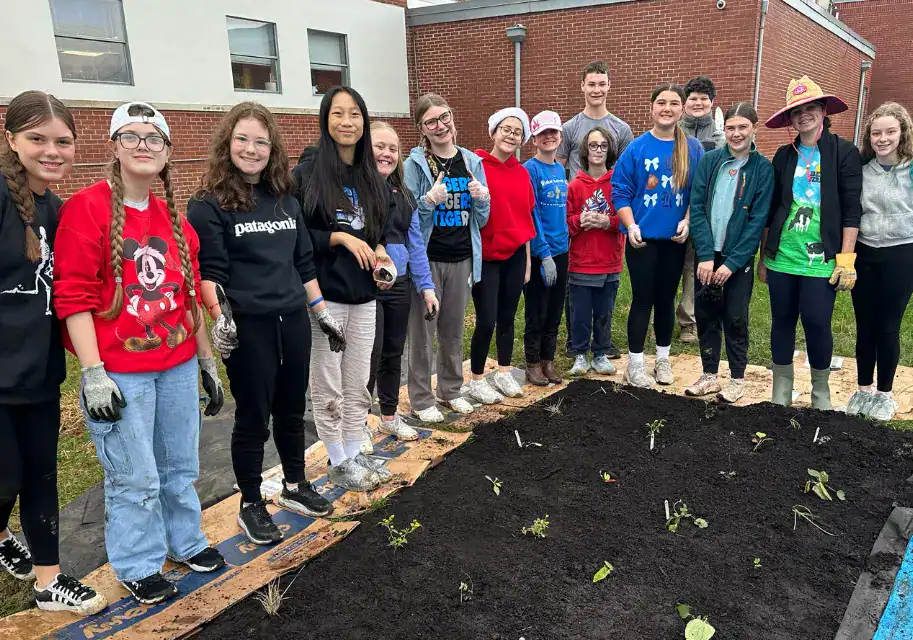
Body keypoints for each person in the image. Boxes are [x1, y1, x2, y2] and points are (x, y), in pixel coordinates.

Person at [54, 102, 226, 605]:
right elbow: (73, 297)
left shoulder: (173, 215)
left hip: (173, 365)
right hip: (121, 371)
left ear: (168, 151)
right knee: (135, 474)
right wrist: (92, 374)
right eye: (132, 136)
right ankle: (138, 561)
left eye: (154, 138)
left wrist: (206, 361)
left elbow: (188, 293)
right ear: (113, 146)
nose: (144, 146)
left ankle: (186, 541)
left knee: (180, 464)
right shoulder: (85, 209)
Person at [188, 102, 341, 546]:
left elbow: (303, 263)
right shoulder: (208, 205)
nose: (251, 149)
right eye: (242, 139)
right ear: (227, 144)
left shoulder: (285, 200)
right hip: (248, 326)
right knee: (254, 415)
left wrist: (322, 313)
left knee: (293, 406)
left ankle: (295, 484)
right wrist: (220, 320)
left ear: (272, 147)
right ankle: (251, 502)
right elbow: (209, 274)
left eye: (260, 140)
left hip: (292, 318)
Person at [0, 91, 106, 615]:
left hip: (38, 369)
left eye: (62, 141)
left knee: (41, 472)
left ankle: (49, 583)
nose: (52, 151)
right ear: (11, 140)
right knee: (6, 477)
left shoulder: (55, 209)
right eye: (37, 139)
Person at [293, 86, 395, 491]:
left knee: (358, 377)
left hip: (364, 295)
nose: (347, 122)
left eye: (355, 114)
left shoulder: (372, 177)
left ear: (364, 121)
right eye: (338, 114)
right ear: (325, 119)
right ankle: (336, 457)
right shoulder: (307, 174)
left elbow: (380, 232)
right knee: (327, 380)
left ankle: (354, 451)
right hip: (326, 296)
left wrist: (381, 253)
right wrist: (339, 238)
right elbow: (301, 239)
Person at [759, 76, 861, 410]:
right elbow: (772, 209)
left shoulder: (842, 153)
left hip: (822, 260)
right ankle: (781, 390)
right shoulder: (784, 157)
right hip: (783, 256)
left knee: (817, 322)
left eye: (811, 108)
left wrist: (846, 259)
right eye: (797, 111)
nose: (804, 116)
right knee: (782, 321)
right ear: (790, 118)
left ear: (823, 110)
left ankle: (820, 391)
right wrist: (764, 255)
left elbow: (851, 210)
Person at [404, 94, 490, 422]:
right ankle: (422, 399)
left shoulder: (471, 162)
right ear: (422, 129)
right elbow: (408, 218)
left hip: (463, 258)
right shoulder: (414, 165)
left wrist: (482, 199)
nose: (440, 126)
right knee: (423, 334)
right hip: (427, 261)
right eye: (431, 122)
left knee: (453, 329)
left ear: (452, 118)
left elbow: (481, 219)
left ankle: (451, 390)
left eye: (444, 117)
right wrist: (427, 201)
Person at [612, 84, 705, 388]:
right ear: (651, 108)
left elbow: (697, 191)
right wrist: (631, 225)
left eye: (674, 103)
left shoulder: (692, 148)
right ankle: (636, 363)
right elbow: (621, 192)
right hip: (643, 240)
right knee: (642, 300)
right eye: (661, 103)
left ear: (681, 110)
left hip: (674, 242)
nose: (667, 108)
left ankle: (663, 359)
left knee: (666, 301)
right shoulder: (637, 148)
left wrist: (689, 220)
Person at [685, 102, 774, 403]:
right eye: (731, 128)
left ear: (753, 129)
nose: (736, 134)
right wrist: (707, 255)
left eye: (743, 128)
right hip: (709, 255)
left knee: (735, 317)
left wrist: (733, 263)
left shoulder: (762, 169)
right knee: (706, 313)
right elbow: (697, 208)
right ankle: (709, 375)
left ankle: (737, 378)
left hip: (737, 260)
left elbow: (757, 220)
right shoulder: (710, 161)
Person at [367, 121, 439, 435]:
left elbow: (416, 245)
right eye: (379, 147)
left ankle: (388, 416)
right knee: (369, 353)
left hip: (399, 285)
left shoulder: (405, 196)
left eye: (392, 148)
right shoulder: (356, 192)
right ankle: (357, 424)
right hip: (365, 287)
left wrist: (426, 288)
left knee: (393, 351)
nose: (386, 154)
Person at [559, 60, 633, 359]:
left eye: (602, 84)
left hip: (609, 211)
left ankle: (603, 341)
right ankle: (574, 342)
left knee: (606, 282)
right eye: (591, 84)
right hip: (579, 209)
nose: (597, 89)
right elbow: (560, 167)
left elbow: (627, 174)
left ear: (609, 86)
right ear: (583, 87)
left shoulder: (621, 129)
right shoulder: (570, 128)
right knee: (575, 280)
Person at [846, 102, 913, 420]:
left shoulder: (911, 168)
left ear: (903, 133)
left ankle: (884, 395)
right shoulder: (862, 168)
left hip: (901, 254)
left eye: (890, 132)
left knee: (888, 327)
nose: (883, 138)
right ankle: (863, 390)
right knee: (865, 326)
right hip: (865, 253)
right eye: (876, 133)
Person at [468, 108, 536, 404]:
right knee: (486, 319)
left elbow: (526, 217)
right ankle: (477, 378)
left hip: (515, 254)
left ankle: (504, 371)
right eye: (506, 129)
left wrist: (528, 261)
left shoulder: (522, 174)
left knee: (508, 317)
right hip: (485, 255)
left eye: (517, 132)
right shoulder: (477, 165)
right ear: (493, 132)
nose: (511, 135)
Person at [566, 126, 624, 377]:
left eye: (603, 145)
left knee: (604, 311)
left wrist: (607, 222)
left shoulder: (618, 184)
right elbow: (566, 223)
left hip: (609, 261)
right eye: (593, 145)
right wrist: (580, 220)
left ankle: (600, 353)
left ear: (609, 150)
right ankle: (580, 353)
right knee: (579, 313)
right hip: (580, 262)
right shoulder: (575, 186)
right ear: (585, 151)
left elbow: (626, 220)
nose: (598, 150)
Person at [677, 76, 726, 345]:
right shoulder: (675, 132)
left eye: (703, 99)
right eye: (693, 98)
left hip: (705, 212)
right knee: (672, 264)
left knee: (693, 265)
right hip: (674, 209)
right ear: (685, 103)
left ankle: (689, 321)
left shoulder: (720, 138)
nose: (698, 103)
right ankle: (662, 315)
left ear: (711, 103)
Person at [523, 111, 569, 386]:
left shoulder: (560, 169)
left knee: (555, 308)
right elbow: (532, 213)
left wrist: (562, 247)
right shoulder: (531, 169)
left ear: (560, 136)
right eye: (543, 134)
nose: (549, 137)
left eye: (554, 132)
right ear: (534, 139)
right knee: (537, 309)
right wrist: (544, 253)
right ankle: (532, 362)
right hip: (542, 253)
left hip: (562, 249)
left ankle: (547, 360)